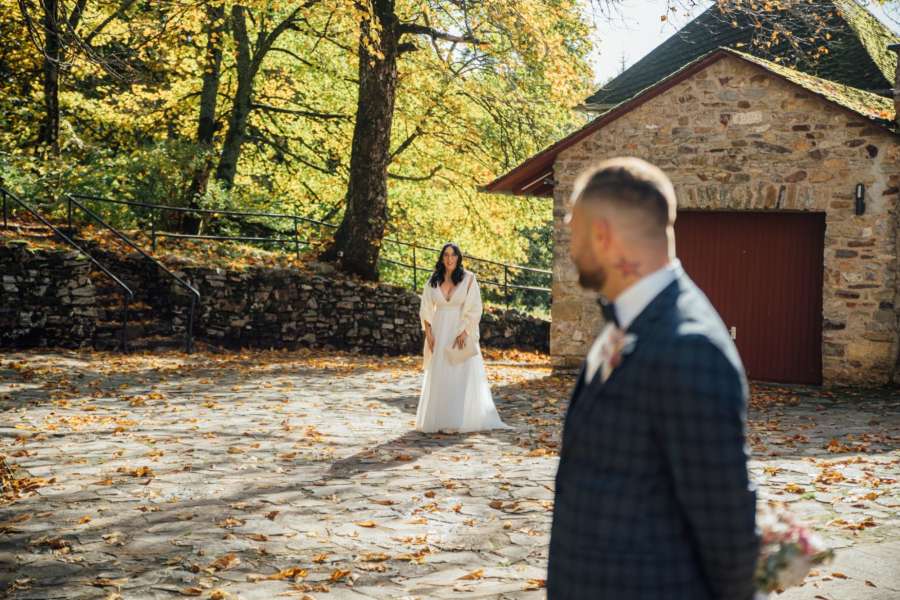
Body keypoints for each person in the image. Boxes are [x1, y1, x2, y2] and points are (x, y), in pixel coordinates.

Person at [548, 157, 759, 600]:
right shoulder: (629, 319)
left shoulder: (689, 346)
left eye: (574, 230)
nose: (571, 247)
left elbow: (728, 532)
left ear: (603, 235)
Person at [416, 243, 509, 433]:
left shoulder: (468, 279)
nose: (449, 259)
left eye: (453, 255)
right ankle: (438, 420)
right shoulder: (433, 280)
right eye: (446, 255)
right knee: (441, 375)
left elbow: (476, 307)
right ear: (442, 258)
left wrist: (465, 331)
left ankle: (456, 421)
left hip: (459, 330)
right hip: (440, 331)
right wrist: (429, 333)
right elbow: (425, 307)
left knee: (459, 375)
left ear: (458, 258)